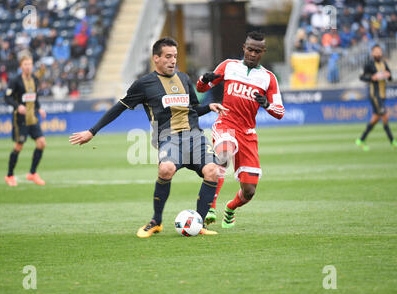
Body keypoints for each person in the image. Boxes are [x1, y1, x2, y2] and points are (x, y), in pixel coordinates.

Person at [69, 37, 228, 238]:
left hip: (195, 137)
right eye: (168, 56)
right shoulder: (144, 84)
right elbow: (120, 107)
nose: (173, 61)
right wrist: (92, 131)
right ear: (156, 58)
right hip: (168, 138)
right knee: (166, 169)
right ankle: (156, 222)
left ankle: (199, 222)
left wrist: (209, 107)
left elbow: (193, 109)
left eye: (175, 56)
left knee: (213, 171)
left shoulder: (185, 79)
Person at [196, 31, 285, 228]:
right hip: (225, 124)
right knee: (224, 153)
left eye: (257, 51)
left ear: (263, 52)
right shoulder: (228, 66)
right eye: (250, 49)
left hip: (247, 133)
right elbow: (202, 88)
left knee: (249, 191)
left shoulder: (268, 78)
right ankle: (210, 207)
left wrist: (267, 104)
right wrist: (204, 80)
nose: (253, 54)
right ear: (244, 48)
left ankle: (230, 208)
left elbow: (279, 112)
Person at [4, 54, 47, 186]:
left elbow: (34, 96)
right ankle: (10, 175)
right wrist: (18, 106)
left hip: (32, 117)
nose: (28, 67)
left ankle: (32, 173)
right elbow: (7, 98)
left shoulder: (34, 78)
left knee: (41, 143)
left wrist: (39, 108)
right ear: (21, 66)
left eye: (30, 64)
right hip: (20, 119)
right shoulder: (15, 80)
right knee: (19, 146)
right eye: (25, 64)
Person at [356, 44, 397, 151]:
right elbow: (361, 77)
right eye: (375, 51)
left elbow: (390, 77)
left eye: (379, 51)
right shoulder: (369, 64)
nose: (378, 53)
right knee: (385, 116)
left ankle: (361, 140)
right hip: (375, 95)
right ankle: (393, 142)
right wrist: (372, 77)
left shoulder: (383, 63)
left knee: (375, 119)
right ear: (372, 53)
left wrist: (388, 75)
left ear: (381, 52)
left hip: (382, 95)